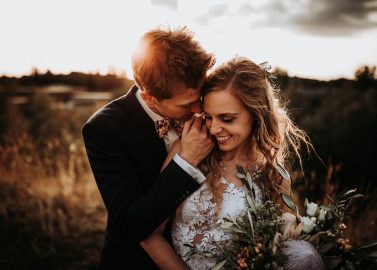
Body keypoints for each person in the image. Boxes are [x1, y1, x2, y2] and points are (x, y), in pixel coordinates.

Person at [141, 56, 312, 269]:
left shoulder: (273, 174)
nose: (213, 129)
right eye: (209, 116)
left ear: (256, 113)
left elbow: (285, 251)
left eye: (227, 119)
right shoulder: (186, 150)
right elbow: (149, 233)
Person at [82, 26, 215, 270]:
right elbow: (131, 224)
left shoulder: (213, 112)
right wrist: (185, 162)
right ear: (150, 98)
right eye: (187, 104)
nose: (199, 109)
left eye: (200, 96)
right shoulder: (105, 129)